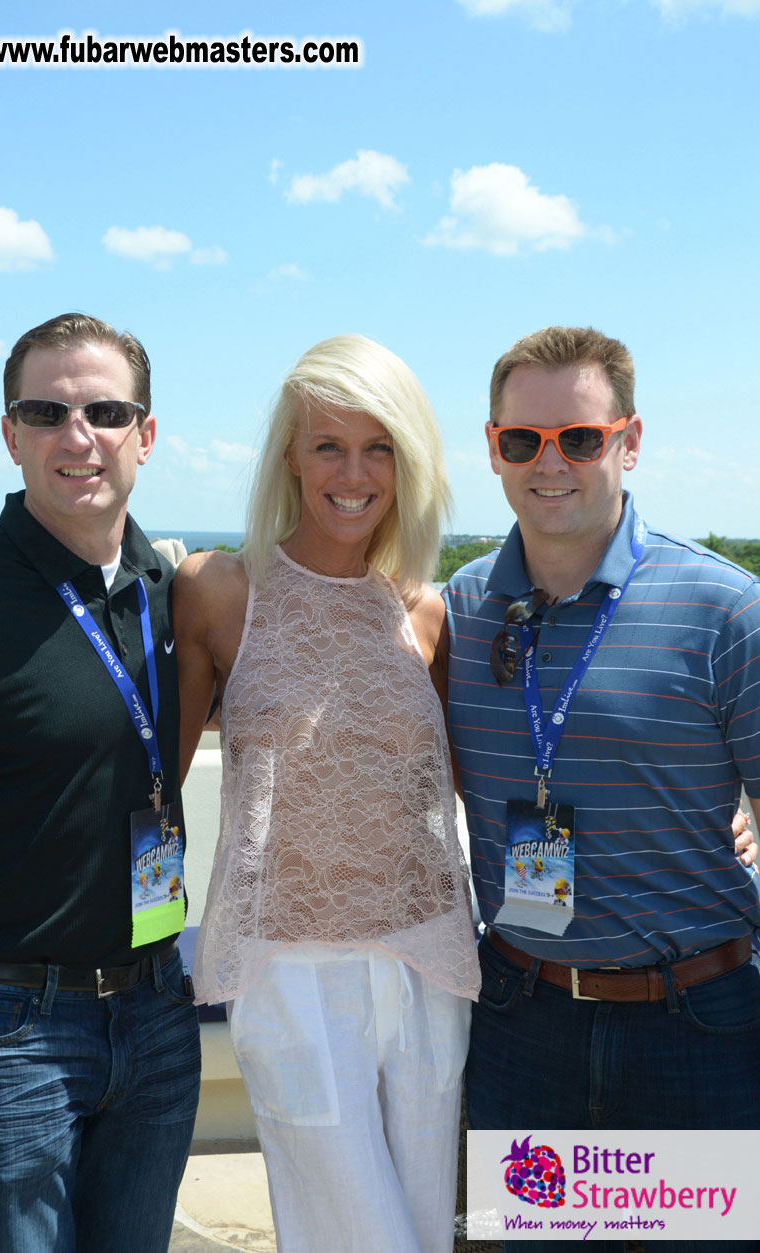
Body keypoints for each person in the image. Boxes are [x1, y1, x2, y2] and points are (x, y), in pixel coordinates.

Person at [442, 326, 760, 1253]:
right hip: (521, 1018)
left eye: (579, 438)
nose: (550, 463)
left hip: (695, 1029)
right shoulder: (461, 609)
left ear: (629, 440)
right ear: (493, 445)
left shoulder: (724, 610)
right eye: (522, 440)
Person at [173, 334, 480, 1252]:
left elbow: (483, 774)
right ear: (289, 458)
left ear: (410, 461)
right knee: (355, 1236)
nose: (354, 472)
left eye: (378, 446)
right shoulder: (220, 591)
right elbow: (144, 772)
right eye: (328, 446)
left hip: (427, 958)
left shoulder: (428, 608)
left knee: (425, 1228)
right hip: (285, 968)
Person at [0, 313, 201, 1252]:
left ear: (146, 435)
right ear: (10, 435)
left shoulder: (175, 590)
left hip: (159, 1011)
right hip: (2, 1028)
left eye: (105, 410)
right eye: (46, 411)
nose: (77, 436)